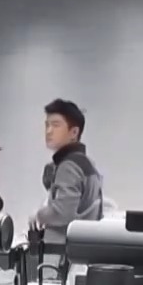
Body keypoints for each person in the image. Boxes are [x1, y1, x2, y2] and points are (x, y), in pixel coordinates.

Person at [31, 99, 104, 248]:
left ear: (74, 132)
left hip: (62, 250)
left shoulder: (68, 166)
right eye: (47, 125)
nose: (49, 131)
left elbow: (63, 213)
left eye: (56, 125)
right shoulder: (86, 163)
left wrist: (38, 215)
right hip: (82, 247)